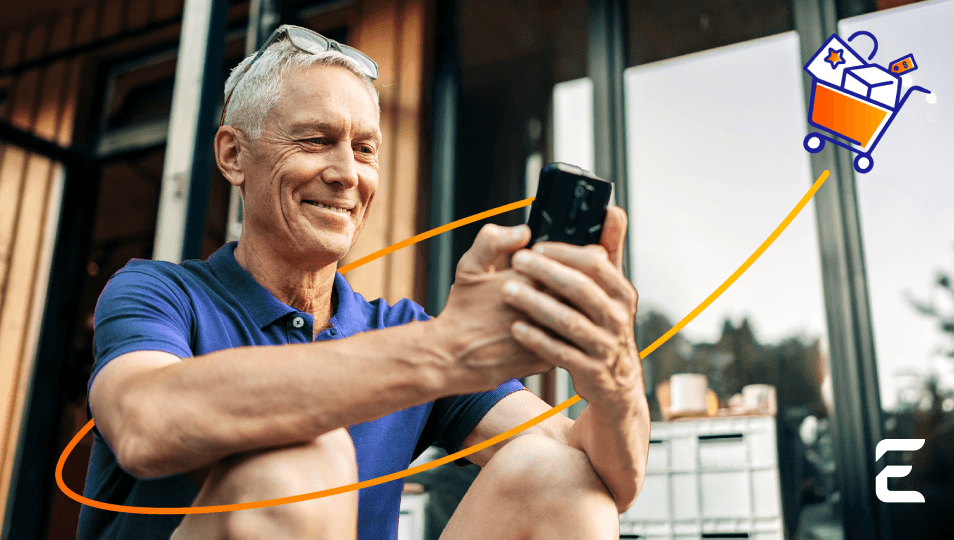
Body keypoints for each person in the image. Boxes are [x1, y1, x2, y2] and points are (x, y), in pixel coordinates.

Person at [78, 25, 650, 540]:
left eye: (365, 149)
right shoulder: (160, 293)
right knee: (298, 461)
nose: (347, 173)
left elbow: (598, 475)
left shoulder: (398, 329)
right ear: (233, 155)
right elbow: (143, 421)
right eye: (314, 140)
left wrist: (616, 376)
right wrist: (446, 350)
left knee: (559, 474)